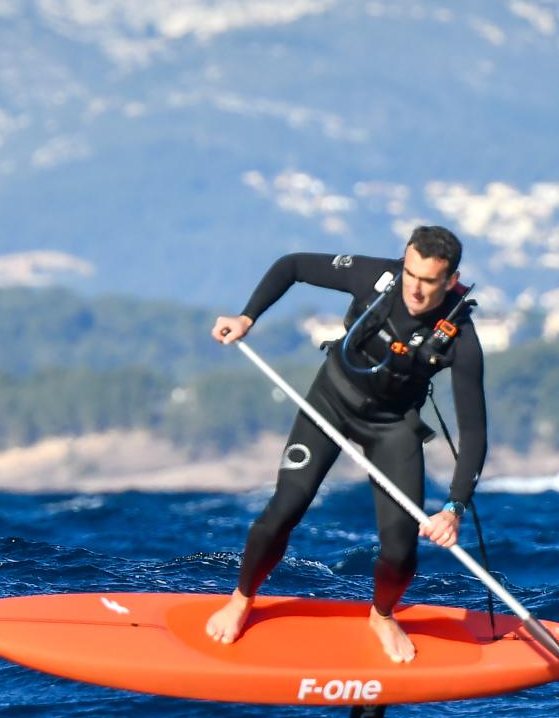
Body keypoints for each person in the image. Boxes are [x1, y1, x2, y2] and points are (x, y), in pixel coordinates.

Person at [207, 226, 487, 663]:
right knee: (285, 509)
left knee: (400, 548)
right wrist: (247, 317)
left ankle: (382, 614)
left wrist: (454, 508)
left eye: (429, 281)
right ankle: (242, 598)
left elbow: (474, 431)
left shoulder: (462, 340)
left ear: (450, 280)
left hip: (392, 426)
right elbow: (293, 265)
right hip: (330, 404)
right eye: (410, 273)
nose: (414, 288)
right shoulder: (375, 277)